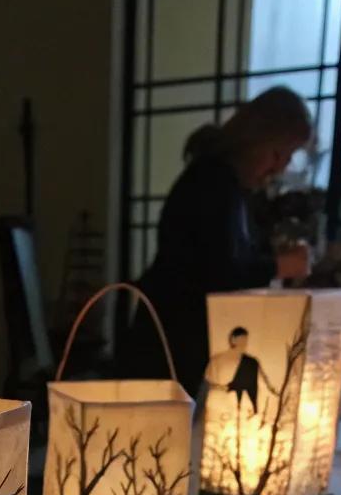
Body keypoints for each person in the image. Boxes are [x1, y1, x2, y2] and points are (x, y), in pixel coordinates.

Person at [118, 85, 314, 396]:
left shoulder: (231, 187)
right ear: (255, 139)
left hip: (185, 340)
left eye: (287, 158)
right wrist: (280, 265)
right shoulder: (211, 182)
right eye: (279, 153)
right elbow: (218, 271)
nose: (280, 167)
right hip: (170, 340)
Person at [204, 326, 278, 417]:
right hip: (221, 407)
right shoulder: (217, 360)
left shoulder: (252, 362)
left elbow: (264, 378)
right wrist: (221, 389)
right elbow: (208, 381)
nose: (243, 343)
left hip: (245, 409)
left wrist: (272, 389)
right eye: (241, 339)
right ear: (233, 339)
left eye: (245, 340)